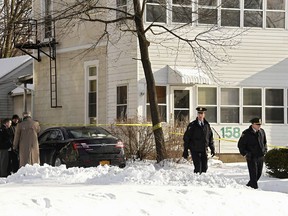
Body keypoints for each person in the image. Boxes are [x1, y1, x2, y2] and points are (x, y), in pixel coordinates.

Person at [183, 107, 215, 174]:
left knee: (204, 168)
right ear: (197, 114)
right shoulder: (192, 125)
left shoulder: (207, 125)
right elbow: (186, 138)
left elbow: (210, 138)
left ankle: (202, 182)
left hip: (203, 149)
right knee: (198, 168)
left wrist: (212, 148)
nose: (200, 115)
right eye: (199, 113)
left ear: (204, 114)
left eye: (202, 113)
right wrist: (185, 150)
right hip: (195, 149)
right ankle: (196, 181)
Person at [238, 118, 267, 189]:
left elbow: (264, 142)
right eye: (257, 124)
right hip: (251, 157)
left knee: (259, 174)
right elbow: (240, 145)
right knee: (253, 174)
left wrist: (265, 150)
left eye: (260, 124)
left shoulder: (262, 132)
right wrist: (245, 154)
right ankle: (254, 189)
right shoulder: (246, 133)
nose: (259, 126)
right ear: (253, 124)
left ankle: (248, 186)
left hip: (260, 156)